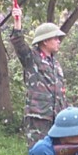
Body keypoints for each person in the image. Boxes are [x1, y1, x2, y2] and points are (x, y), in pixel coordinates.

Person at [9, 14, 69, 145]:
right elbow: (18, 43)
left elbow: (61, 94)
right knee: (39, 154)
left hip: (57, 118)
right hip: (39, 117)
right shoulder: (31, 59)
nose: (59, 41)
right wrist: (17, 22)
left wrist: (69, 113)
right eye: (55, 38)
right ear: (45, 41)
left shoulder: (56, 64)